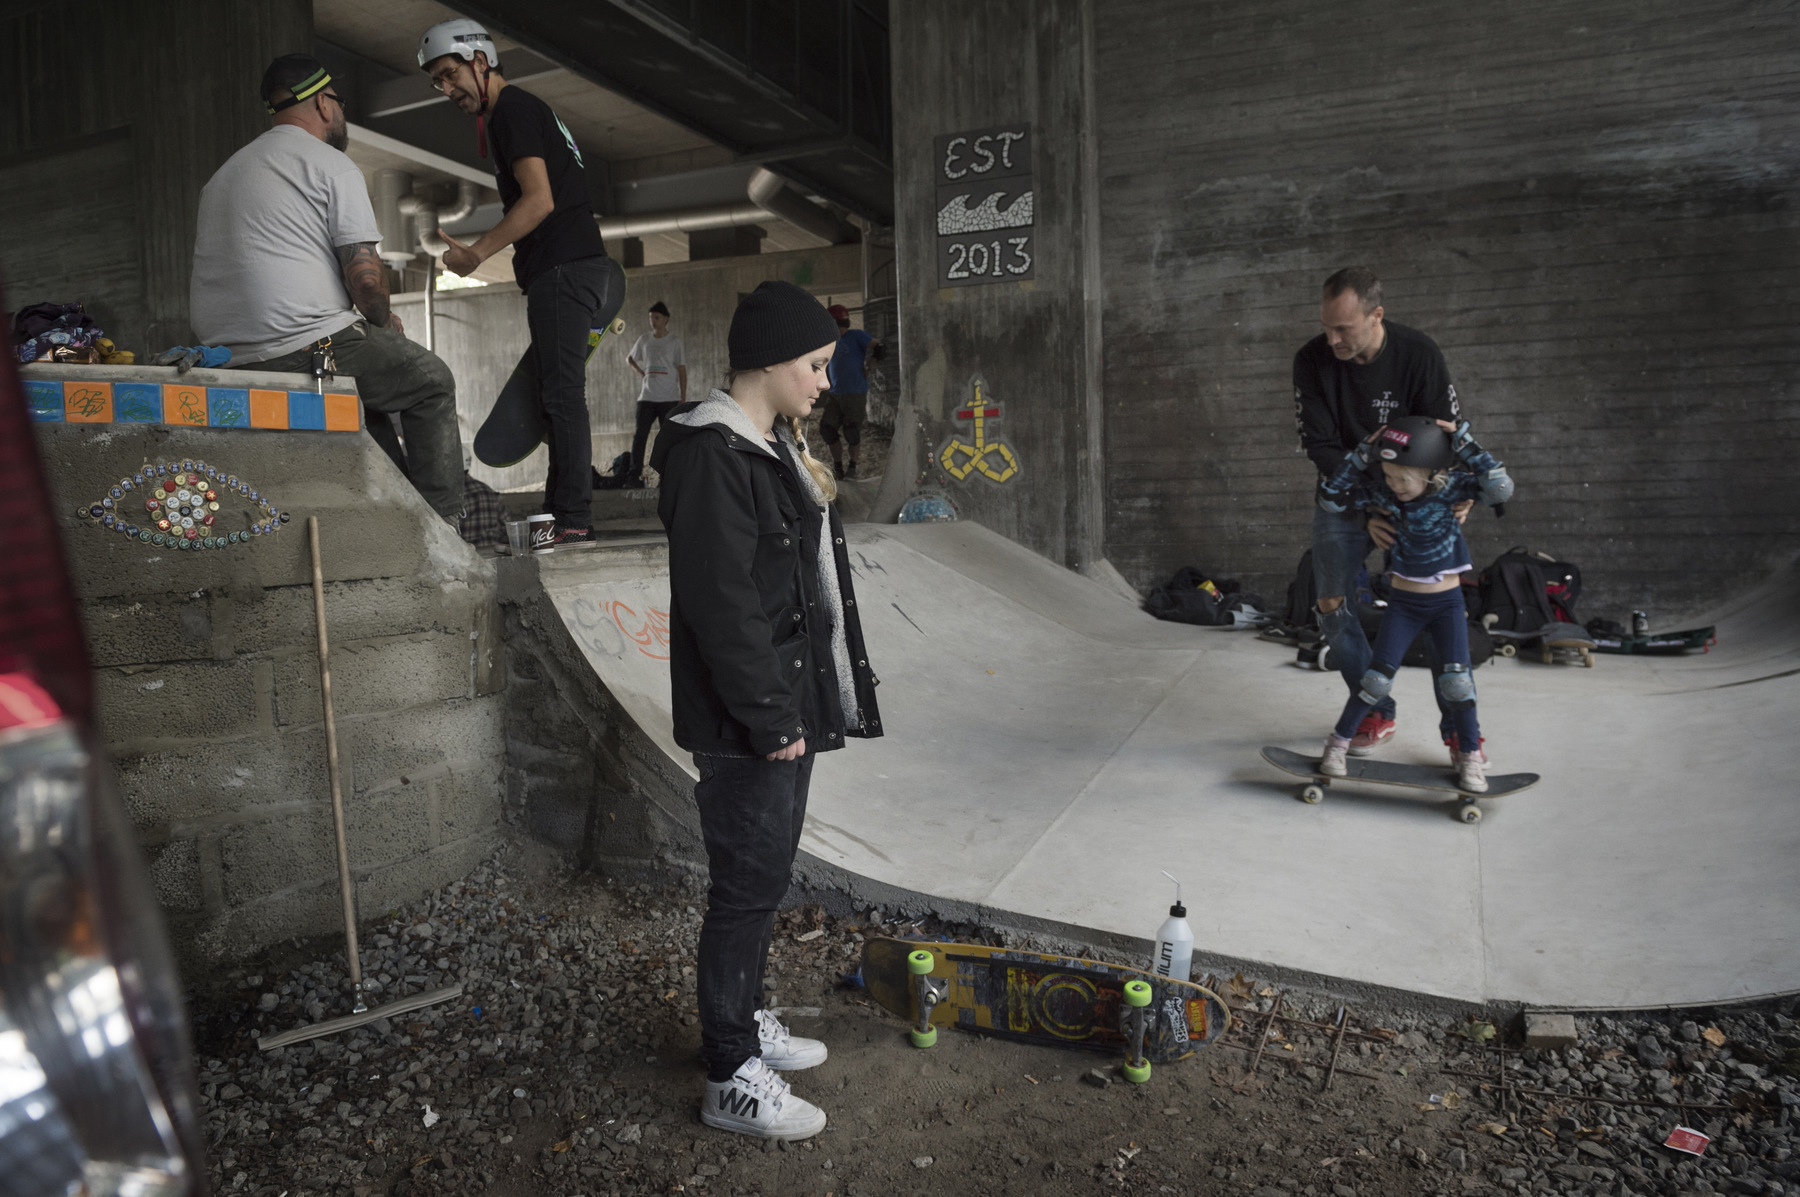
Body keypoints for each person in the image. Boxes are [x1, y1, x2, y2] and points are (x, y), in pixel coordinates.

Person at [649, 281, 883, 1140]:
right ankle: (727, 1072)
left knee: (766, 877)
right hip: (753, 720)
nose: (825, 382)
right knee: (746, 890)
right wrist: (770, 717)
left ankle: (743, 1026)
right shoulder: (712, 453)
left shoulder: (767, 444)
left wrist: (802, 708)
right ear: (776, 362)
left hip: (786, 706)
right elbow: (722, 603)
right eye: (816, 366)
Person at [190, 54, 463, 523]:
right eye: (338, 101)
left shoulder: (222, 176)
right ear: (321, 102)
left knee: (371, 402)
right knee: (430, 382)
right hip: (304, 344)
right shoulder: (328, 163)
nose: (340, 112)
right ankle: (445, 530)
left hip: (227, 355)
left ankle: (401, 521)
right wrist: (384, 322)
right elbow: (366, 279)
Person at [420, 18, 622, 552]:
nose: (448, 90)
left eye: (449, 74)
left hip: (564, 271)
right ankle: (562, 512)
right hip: (581, 268)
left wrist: (476, 255)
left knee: (562, 397)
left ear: (479, 60)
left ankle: (574, 518)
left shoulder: (511, 111)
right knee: (558, 398)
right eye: (437, 82)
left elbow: (539, 200)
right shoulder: (528, 110)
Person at [1294, 266, 1468, 757]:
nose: (1332, 339)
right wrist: (1369, 503)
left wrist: (1454, 494)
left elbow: (1444, 437)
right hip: (1347, 493)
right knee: (1331, 603)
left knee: (1433, 608)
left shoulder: (1418, 354)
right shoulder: (1311, 361)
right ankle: (1375, 707)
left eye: (1344, 328)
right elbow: (1321, 446)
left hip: (1416, 495)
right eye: (1327, 326)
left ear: (1377, 315)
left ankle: (1459, 731)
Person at [1315, 417, 1513, 789]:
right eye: (1388, 476)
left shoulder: (1453, 488)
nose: (1395, 485)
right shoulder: (1386, 494)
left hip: (1448, 606)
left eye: (1403, 479)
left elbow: (1500, 489)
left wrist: (1465, 442)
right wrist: (1362, 454)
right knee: (1374, 682)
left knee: (1458, 684)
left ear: (1432, 473)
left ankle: (1469, 755)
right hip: (1403, 605)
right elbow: (1331, 496)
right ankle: (1337, 745)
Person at [626, 300, 686, 483]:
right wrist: (641, 373)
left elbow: (682, 370)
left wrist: (683, 398)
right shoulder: (644, 339)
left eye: (657, 317)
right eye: (651, 317)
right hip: (647, 397)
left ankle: (667, 477)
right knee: (640, 436)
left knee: (667, 439)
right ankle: (633, 475)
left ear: (666, 319)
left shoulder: (674, 341)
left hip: (669, 397)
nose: (653, 321)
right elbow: (630, 358)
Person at [819, 304, 880, 479]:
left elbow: (880, 347)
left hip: (855, 392)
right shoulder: (830, 340)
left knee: (851, 431)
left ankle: (852, 467)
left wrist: (871, 363)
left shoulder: (856, 336)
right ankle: (838, 467)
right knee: (827, 429)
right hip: (836, 393)